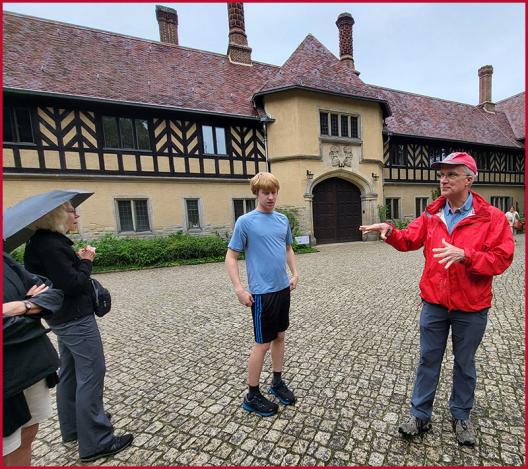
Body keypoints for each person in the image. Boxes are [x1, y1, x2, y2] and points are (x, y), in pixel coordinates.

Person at [359, 152, 514, 446]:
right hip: (434, 303)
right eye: (441, 174)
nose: (443, 179)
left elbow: (502, 258)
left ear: (469, 179)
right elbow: (408, 240)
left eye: (451, 174)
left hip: (471, 306)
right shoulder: (432, 214)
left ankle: (461, 415)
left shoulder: (491, 217)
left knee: (464, 363)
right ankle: (420, 415)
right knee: (428, 360)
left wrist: (466, 256)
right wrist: (390, 231)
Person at [23, 202, 133, 462]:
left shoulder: (41, 242)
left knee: (71, 373)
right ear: (57, 215)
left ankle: (74, 428)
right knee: (91, 373)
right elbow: (73, 284)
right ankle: (97, 440)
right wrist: (86, 261)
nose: (77, 214)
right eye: (73, 211)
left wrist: (78, 262)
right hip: (75, 319)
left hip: (63, 319)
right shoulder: (51, 245)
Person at [225, 172, 300, 417]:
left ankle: (277, 382)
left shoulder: (282, 220)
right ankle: (252, 394)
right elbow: (231, 256)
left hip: (282, 289)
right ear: (256, 194)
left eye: (273, 192)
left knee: (280, 336)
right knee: (262, 344)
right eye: (265, 193)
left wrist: (295, 273)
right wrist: (239, 289)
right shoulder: (245, 222)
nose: (270, 197)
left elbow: (288, 248)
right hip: (261, 294)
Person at [3, 251, 63, 466]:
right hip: (6, 382)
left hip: (30, 367)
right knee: (6, 447)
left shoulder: (4, 258)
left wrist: (23, 306)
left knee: (28, 435)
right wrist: (34, 309)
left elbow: (53, 294)